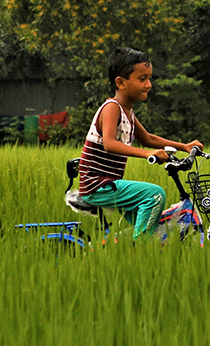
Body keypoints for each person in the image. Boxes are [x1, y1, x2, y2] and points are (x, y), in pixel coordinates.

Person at [78, 47, 203, 240]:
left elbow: (148, 138)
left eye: (150, 78)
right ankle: (140, 250)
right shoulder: (112, 108)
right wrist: (148, 154)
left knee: (153, 232)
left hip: (109, 184)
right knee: (155, 195)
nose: (149, 85)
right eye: (142, 79)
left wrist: (184, 146)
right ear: (120, 82)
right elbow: (109, 144)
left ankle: (130, 253)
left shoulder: (128, 112)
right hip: (98, 185)